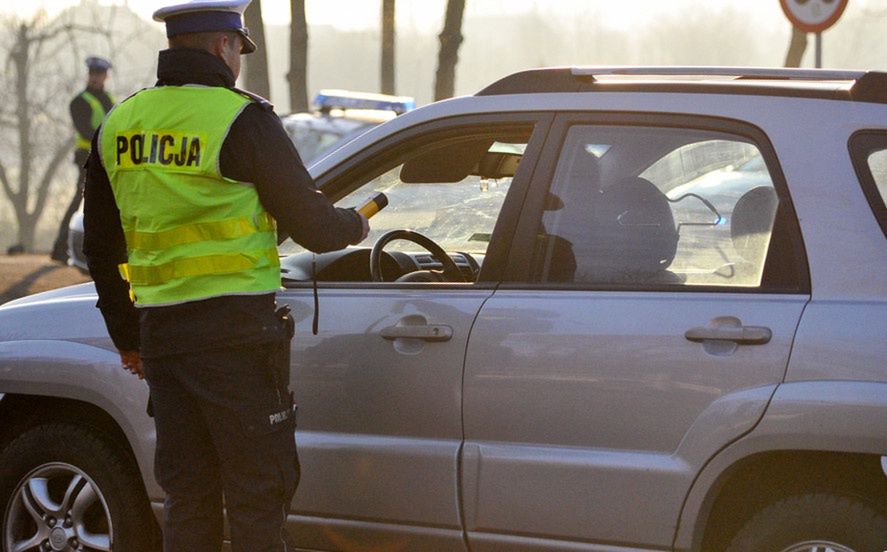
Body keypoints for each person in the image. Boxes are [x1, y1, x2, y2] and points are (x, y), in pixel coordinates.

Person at [81, 0, 369, 550]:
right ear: (223, 46)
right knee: (258, 495)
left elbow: (100, 247)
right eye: (238, 48)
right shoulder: (244, 118)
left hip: (162, 341)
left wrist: (129, 338)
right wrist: (355, 224)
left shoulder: (118, 122)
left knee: (188, 498)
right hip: (237, 341)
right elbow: (314, 228)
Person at [51, 56, 115, 263]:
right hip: (86, 157)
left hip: (108, 157)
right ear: (89, 75)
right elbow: (85, 131)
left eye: (100, 74)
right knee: (80, 201)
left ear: (105, 76)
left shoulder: (111, 100)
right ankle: (60, 248)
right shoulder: (79, 101)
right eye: (93, 74)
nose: (96, 78)